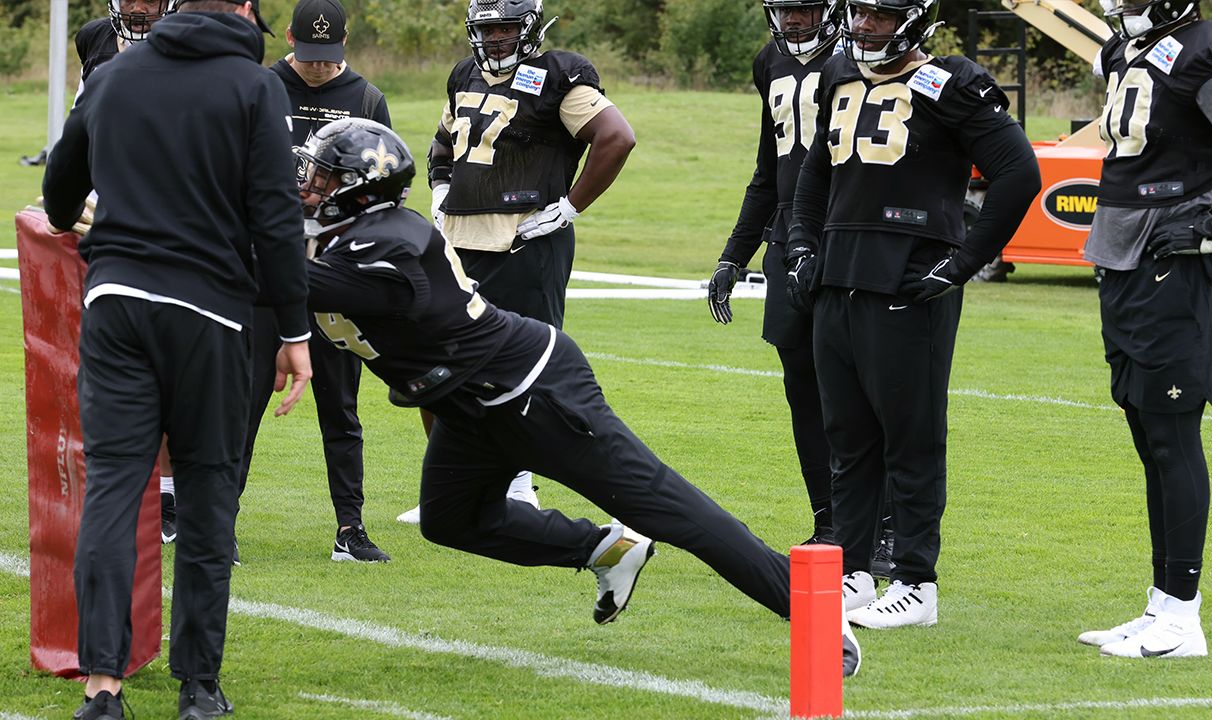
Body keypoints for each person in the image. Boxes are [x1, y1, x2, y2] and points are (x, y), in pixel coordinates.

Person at [297, 117, 861, 678]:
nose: (309, 186)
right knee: (450, 520)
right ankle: (605, 549)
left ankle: (811, 605)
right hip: (470, 406)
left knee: (670, 509)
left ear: (360, 189)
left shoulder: (387, 241)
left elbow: (307, 282)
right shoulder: (347, 235)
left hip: (533, 390)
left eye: (323, 178)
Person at [42, 0, 313, 717]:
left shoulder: (114, 73)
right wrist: (294, 330)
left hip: (118, 302)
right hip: (209, 311)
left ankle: (102, 684)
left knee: (112, 489)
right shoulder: (256, 86)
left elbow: (60, 192)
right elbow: (277, 216)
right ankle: (199, 686)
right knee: (206, 495)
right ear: (247, 10)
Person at [787, 0, 1040, 629]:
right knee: (847, 435)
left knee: (911, 435)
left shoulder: (951, 82)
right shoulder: (841, 75)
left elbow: (1018, 171)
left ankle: (915, 582)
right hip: (840, 275)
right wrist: (801, 242)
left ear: (915, 20)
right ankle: (851, 571)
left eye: (881, 16)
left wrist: (965, 259)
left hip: (908, 276)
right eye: (861, 14)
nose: (866, 26)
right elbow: (816, 170)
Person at [1077, 0, 1212, 657]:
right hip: (1129, 256)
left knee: (1171, 435)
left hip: (1177, 263)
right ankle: (1162, 604)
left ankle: (1183, 619)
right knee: (1146, 433)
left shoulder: (1207, 51)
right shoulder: (1126, 52)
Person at [397, 0, 636, 524]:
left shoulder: (557, 75)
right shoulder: (464, 74)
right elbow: (441, 146)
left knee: (518, 371)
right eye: (487, 29)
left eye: (506, 28)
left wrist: (569, 207)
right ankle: (449, 486)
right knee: (436, 368)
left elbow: (616, 138)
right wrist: (440, 190)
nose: (496, 38)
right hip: (457, 243)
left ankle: (518, 484)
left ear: (530, 28)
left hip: (524, 241)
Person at [707, 0, 895, 577]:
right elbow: (769, 167)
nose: (794, 21)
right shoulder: (770, 62)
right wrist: (734, 255)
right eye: (786, 10)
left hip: (844, 234)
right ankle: (829, 522)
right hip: (788, 234)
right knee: (803, 390)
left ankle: (884, 532)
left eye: (806, 9)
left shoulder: (857, 58)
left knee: (864, 393)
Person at [235, 0, 394, 563]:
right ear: (288, 40)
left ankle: (350, 530)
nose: (320, 68)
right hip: (261, 269)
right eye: (309, 57)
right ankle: (218, 525)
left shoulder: (366, 98)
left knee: (340, 405)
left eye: (329, 58)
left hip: (332, 273)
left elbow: (383, 186)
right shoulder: (258, 86)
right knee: (244, 401)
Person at [71, 0, 183, 545]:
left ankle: (170, 494)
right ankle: (128, 492)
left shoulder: (193, 41)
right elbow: (80, 130)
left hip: (175, 224)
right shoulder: (95, 39)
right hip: (105, 219)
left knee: (172, 377)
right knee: (110, 370)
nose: (141, 6)